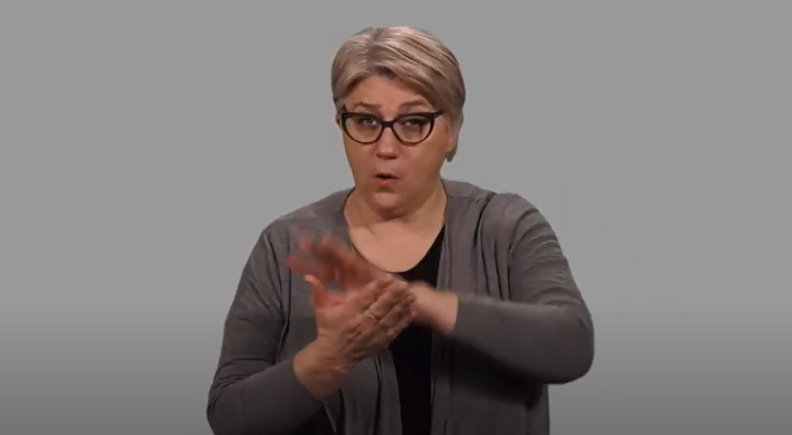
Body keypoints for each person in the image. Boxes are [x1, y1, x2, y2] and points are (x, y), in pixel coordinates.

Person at [206, 25, 594, 435]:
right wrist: (327, 360)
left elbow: (572, 345)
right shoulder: (285, 244)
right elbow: (229, 416)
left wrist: (421, 303)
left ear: (452, 132)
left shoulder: (506, 227)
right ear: (341, 125)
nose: (386, 148)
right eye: (365, 121)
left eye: (413, 122)